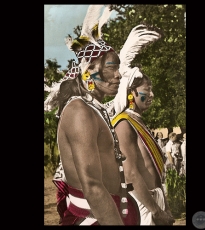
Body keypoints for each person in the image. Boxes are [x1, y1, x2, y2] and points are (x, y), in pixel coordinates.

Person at [44, 5, 140, 225]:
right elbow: (93, 186)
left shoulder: (92, 108)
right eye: (112, 68)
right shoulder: (79, 112)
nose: (119, 75)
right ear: (89, 72)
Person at [107, 25, 175, 225]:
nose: (152, 94)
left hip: (154, 201)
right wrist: (156, 210)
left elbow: (152, 171)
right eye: (148, 89)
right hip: (141, 205)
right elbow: (131, 173)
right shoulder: (123, 124)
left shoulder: (137, 121)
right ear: (131, 93)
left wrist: (165, 206)